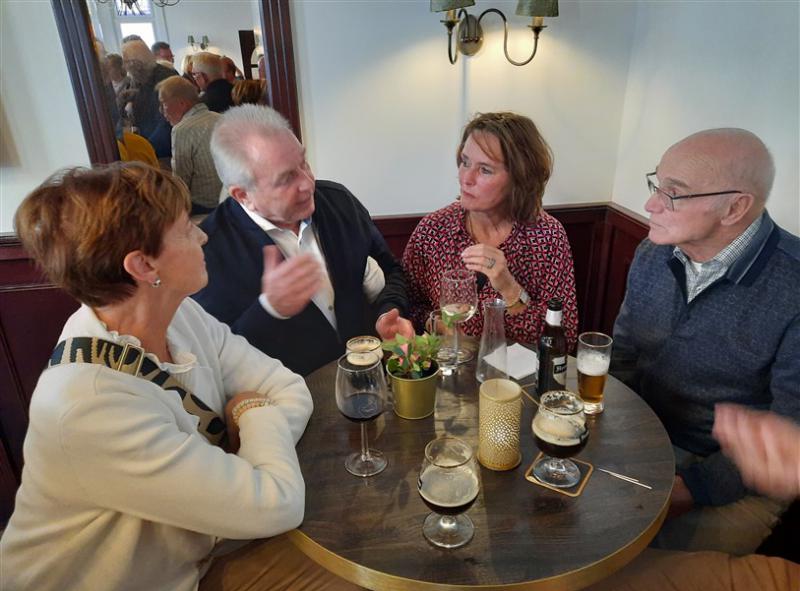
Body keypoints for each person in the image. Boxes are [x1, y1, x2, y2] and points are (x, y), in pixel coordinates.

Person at [0, 162, 376, 591]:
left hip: (195, 559)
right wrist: (253, 411)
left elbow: (288, 387)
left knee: (357, 556)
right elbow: (279, 503)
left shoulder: (180, 315)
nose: (203, 236)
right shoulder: (89, 405)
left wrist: (245, 465)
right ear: (143, 265)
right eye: (184, 229)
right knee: (353, 577)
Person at [610, 128, 800, 555]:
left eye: (673, 193)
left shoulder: (793, 287)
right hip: (640, 438)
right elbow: (623, 353)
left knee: (624, 567)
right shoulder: (654, 252)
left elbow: (789, 431)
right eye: (657, 184)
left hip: (730, 479)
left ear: (735, 207)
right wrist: (602, 429)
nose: (651, 205)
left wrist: (692, 488)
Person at [193, 105, 413, 376]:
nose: (308, 183)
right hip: (291, 398)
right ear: (243, 195)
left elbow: (391, 271)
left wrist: (388, 311)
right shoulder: (209, 252)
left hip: (371, 381)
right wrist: (269, 310)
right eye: (287, 178)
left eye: (304, 162)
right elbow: (217, 362)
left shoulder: (339, 202)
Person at [570, 405, 800, 591]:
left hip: (722, 481)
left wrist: (698, 484)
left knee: (585, 577)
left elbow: (785, 430)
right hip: (656, 438)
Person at [403, 112, 578, 347]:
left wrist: (509, 287)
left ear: (519, 178)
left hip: (517, 370)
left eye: (485, 170)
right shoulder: (434, 229)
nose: (466, 178)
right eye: (465, 162)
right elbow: (407, 305)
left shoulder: (547, 236)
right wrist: (437, 324)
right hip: (450, 364)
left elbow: (563, 338)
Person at [157, 75, 223, 216]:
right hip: (231, 203)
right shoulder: (222, 119)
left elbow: (181, 182)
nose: (161, 111)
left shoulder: (182, 130)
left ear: (182, 103)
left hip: (203, 209)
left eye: (163, 104)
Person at [121, 39, 177, 159]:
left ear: (136, 63)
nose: (125, 67)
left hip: (165, 149)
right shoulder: (138, 79)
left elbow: (166, 120)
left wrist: (148, 148)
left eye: (126, 62)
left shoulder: (165, 78)